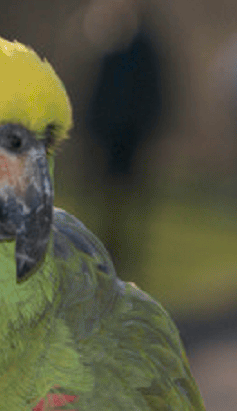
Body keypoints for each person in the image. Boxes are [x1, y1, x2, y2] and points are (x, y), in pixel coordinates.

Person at [75, 0, 171, 281]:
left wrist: (151, 133)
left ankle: (123, 260)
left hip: (132, 138)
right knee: (100, 198)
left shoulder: (146, 43)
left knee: (128, 200)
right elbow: (89, 89)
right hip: (102, 135)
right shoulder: (98, 36)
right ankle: (97, 253)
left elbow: (155, 92)